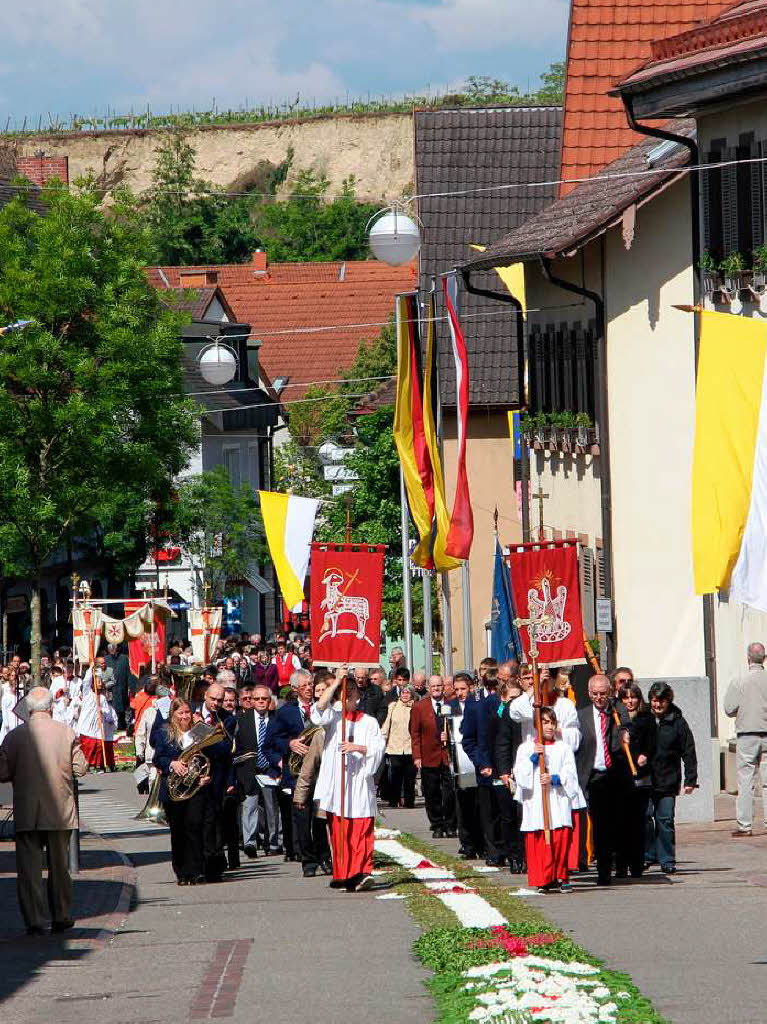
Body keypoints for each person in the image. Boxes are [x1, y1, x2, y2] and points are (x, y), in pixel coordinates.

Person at [0, 687, 88, 933]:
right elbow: (81, 769)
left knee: (29, 870)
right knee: (60, 867)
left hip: (27, 811)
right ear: (50, 707)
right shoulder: (66, 732)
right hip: (59, 810)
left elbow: (3, 773)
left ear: (28, 709)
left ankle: (35, 920)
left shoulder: (14, 736)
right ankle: (61, 914)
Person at [311, 670, 385, 891]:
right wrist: (335, 682)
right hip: (338, 785)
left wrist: (359, 748)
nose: (348, 694)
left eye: (352, 690)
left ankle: (361, 872)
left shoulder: (369, 722)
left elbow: (379, 747)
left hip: (359, 783)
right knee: (340, 831)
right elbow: (317, 711)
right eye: (344, 690)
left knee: (360, 830)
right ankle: (343, 873)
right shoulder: (333, 718)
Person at [263, 668, 326, 870]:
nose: (309, 688)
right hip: (297, 775)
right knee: (301, 818)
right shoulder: (284, 712)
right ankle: (307, 860)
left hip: (322, 772)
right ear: (294, 688)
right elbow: (270, 744)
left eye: (311, 684)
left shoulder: (322, 709)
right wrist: (289, 745)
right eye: (305, 685)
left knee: (321, 818)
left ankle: (324, 857)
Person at [513, 706, 580, 894]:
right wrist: (534, 758)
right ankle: (543, 878)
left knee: (559, 840)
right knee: (539, 842)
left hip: (557, 802)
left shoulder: (563, 748)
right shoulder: (525, 748)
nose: (549, 727)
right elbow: (520, 775)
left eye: (552, 722)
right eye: (545, 722)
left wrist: (555, 779)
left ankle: (561, 876)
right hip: (536, 804)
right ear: (537, 725)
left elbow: (571, 776)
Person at [154, 698, 215, 885]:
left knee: (195, 827)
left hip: (195, 787)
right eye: (180, 713)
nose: (184, 717)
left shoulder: (199, 732)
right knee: (178, 831)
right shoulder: (165, 733)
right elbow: (159, 758)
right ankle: (181, 871)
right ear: (173, 715)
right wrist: (172, 764)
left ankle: (197, 870)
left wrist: (206, 775)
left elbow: (212, 755)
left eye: (187, 712)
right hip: (174, 790)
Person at [575, 674, 628, 886]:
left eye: (603, 693)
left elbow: (627, 726)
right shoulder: (582, 716)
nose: (599, 698)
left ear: (610, 693)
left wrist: (626, 733)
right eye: (595, 694)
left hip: (614, 774)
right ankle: (603, 870)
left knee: (617, 823)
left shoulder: (617, 712)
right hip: (593, 776)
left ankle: (621, 863)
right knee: (599, 826)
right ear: (589, 694)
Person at [646, 681, 697, 874]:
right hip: (646, 779)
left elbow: (689, 751)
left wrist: (691, 779)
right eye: (653, 701)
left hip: (668, 779)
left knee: (665, 819)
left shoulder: (678, 722)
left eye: (661, 701)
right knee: (645, 818)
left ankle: (667, 859)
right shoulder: (644, 718)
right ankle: (649, 855)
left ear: (668, 701)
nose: (657, 705)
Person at [724, 642, 767, 837]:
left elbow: (729, 708)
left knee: (745, 780)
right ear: (764, 659)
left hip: (747, 735)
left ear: (748, 658)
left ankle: (745, 825)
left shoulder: (739, 680)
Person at [236, 684, 281, 858]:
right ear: (251, 700)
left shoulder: (276, 719)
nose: (261, 702)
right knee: (250, 807)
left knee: (271, 808)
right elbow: (237, 747)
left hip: (270, 769)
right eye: (257, 699)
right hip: (249, 769)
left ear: (270, 701)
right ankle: (250, 843)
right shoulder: (242, 719)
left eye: (264, 699)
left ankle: (273, 843)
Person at [615, 682, 655, 877]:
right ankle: (621, 865)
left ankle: (637, 864)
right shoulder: (616, 718)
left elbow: (653, 743)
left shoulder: (646, 718)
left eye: (633, 697)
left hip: (641, 776)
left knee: (638, 822)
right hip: (620, 777)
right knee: (620, 823)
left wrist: (645, 755)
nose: (630, 701)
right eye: (626, 698)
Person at [409, 674, 456, 838]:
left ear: (444, 687)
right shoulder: (419, 707)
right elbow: (414, 733)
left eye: (439, 686)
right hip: (428, 756)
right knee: (432, 792)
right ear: (429, 688)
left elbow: (458, 729)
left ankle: (450, 824)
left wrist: (448, 736)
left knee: (450, 792)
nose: (436, 689)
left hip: (448, 756)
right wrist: (417, 756)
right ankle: (437, 824)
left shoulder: (451, 705)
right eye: (433, 686)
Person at [449, 672, 482, 859]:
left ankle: (481, 842)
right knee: (463, 804)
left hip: (475, 758)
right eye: (457, 689)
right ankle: (467, 843)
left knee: (479, 803)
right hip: (460, 762)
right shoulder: (450, 707)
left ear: (470, 688)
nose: (460, 693)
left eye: (463, 689)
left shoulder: (476, 705)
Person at [381, 683, 417, 808]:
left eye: (408, 692)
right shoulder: (393, 706)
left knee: (409, 777)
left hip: (410, 747)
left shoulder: (416, 707)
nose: (405, 695)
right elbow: (387, 724)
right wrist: (383, 738)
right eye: (403, 692)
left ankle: (409, 801)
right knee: (395, 775)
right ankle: (393, 800)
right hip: (394, 747)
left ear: (412, 694)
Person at [77, 661, 118, 771]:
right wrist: (90, 669)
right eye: (97, 681)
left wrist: (102, 711)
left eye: (100, 681)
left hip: (98, 727)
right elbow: (86, 682)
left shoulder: (103, 698)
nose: (99, 683)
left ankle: (98, 765)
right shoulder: (88, 694)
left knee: (99, 746)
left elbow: (107, 712)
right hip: (87, 727)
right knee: (88, 747)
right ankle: (86, 766)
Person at [104, 643, 131, 730]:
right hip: (110, 693)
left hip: (122, 692)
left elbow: (128, 675)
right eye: (110, 647)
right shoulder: (105, 659)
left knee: (121, 716)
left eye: (113, 647)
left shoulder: (124, 659)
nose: (112, 649)